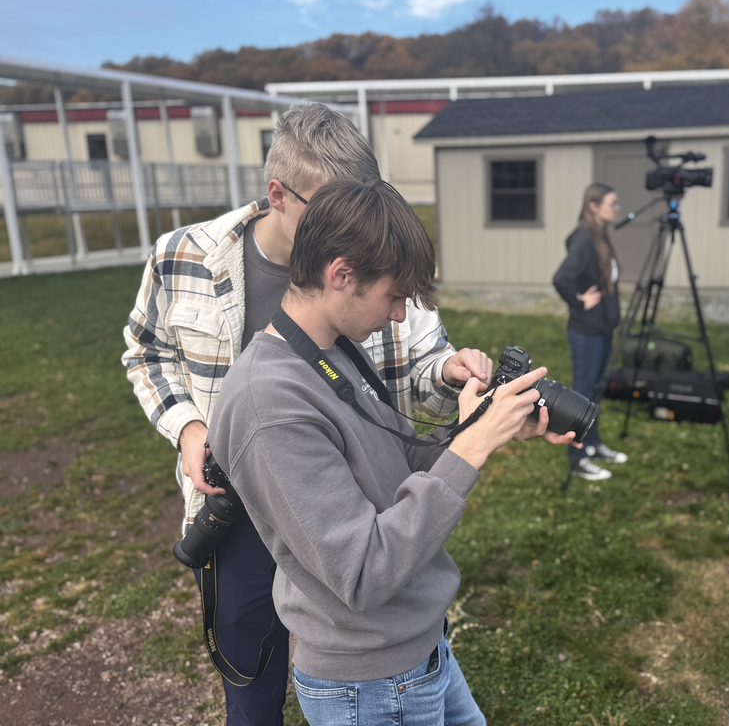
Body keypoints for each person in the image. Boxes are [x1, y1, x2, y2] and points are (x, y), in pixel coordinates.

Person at [122, 103, 491, 726]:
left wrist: (453, 380)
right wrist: (187, 426)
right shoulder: (183, 256)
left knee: (351, 634)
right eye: (333, 211)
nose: (353, 225)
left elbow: (418, 362)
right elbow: (146, 350)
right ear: (278, 195)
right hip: (236, 508)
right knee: (251, 669)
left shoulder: (369, 265)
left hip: (341, 494)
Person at [207, 177, 576, 725]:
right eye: (395, 296)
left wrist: (473, 429)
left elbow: (391, 473)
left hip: (417, 651)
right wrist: (470, 448)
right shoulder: (269, 403)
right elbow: (363, 571)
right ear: (341, 275)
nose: (402, 315)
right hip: (369, 684)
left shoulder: (332, 353)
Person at [552, 182, 630, 481]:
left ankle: (594, 445)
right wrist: (579, 300)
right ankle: (577, 458)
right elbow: (561, 278)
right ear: (594, 206)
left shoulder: (599, 236)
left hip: (602, 329)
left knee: (595, 391)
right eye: (612, 203)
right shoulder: (584, 240)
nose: (617, 208)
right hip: (587, 331)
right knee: (582, 396)